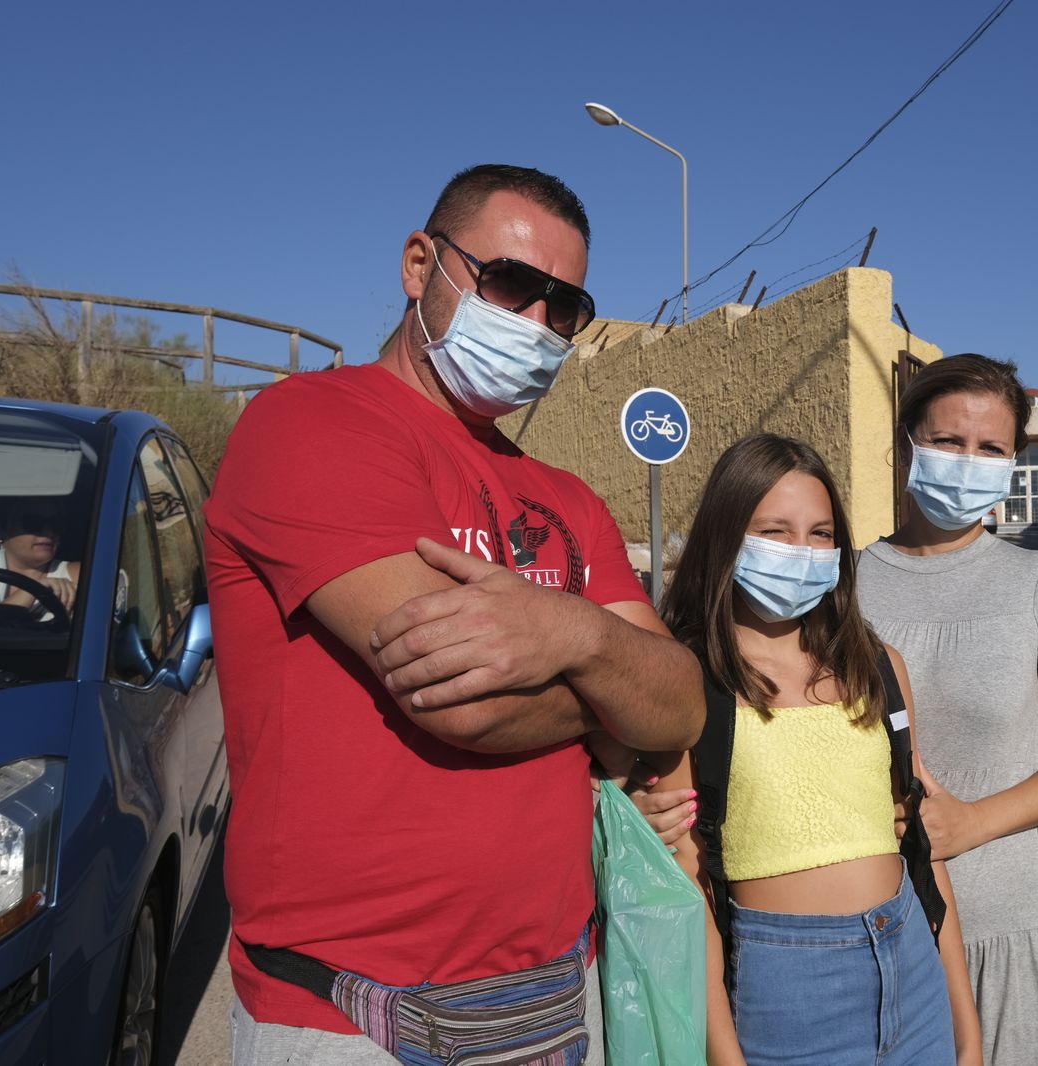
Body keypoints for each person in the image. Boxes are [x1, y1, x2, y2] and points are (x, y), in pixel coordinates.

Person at [205, 164, 704, 1064]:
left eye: (566, 308)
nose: (537, 324)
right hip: (350, 1015)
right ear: (419, 265)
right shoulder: (308, 426)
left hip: (555, 992)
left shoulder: (567, 497)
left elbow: (682, 702)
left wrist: (573, 633)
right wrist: (612, 707)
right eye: (511, 285)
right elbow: (465, 700)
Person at [648, 433, 981, 1065]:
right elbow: (687, 884)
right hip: (784, 988)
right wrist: (724, 1054)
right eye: (775, 530)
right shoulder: (686, 677)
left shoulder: (877, 664)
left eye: (821, 533)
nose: (801, 552)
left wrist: (965, 1021)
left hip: (910, 959)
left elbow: (920, 844)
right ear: (725, 538)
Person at [855, 354, 1038, 1065]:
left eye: (990, 448)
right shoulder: (843, 586)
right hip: (876, 924)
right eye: (947, 441)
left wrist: (971, 823)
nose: (967, 461)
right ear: (907, 441)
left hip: (1007, 924)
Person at [0, 503, 79, 620]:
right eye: (33, 523)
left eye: (55, 524)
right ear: (3, 531)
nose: (49, 531)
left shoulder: (80, 575)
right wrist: (35, 589)